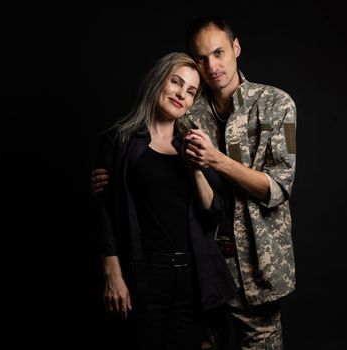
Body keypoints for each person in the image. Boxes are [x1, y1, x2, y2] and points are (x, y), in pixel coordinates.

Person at [92, 15, 296, 350]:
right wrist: (109, 178)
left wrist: (215, 161)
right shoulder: (185, 110)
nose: (211, 66)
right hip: (202, 271)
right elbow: (139, 167)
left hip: (258, 270)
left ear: (236, 48)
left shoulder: (276, 104)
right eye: (201, 58)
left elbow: (277, 189)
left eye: (218, 53)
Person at [93, 52, 236, 350]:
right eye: (176, 83)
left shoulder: (193, 144)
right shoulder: (119, 140)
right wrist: (112, 272)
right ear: (159, 80)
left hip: (190, 281)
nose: (181, 95)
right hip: (142, 277)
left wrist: (196, 171)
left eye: (191, 92)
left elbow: (214, 216)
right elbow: (105, 211)